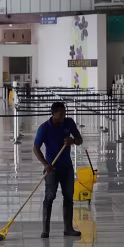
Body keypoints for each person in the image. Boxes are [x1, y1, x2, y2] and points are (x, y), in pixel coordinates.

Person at [33, 101, 83, 238]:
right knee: (50, 196)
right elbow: (35, 148)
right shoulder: (44, 128)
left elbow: (80, 140)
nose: (62, 117)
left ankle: (68, 228)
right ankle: (45, 230)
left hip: (67, 167)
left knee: (68, 196)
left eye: (64, 113)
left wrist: (72, 141)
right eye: (60, 114)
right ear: (53, 113)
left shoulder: (69, 123)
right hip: (52, 168)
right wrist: (45, 164)